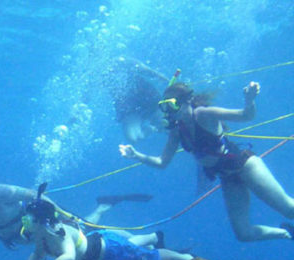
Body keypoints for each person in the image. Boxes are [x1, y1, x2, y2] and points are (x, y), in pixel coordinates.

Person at [119, 80, 294, 242]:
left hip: (245, 165)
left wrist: (249, 99)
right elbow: (162, 162)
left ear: (186, 100)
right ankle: (287, 233)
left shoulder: (204, 114)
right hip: (227, 177)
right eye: (164, 107)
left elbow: (245, 116)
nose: (169, 112)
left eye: (171, 105)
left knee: (288, 209)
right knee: (243, 233)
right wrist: (137, 155)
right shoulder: (177, 131)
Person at [19, 193, 192, 260]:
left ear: (41, 220)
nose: (24, 222)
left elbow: (69, 256)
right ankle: (153, 237)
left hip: (108, 249)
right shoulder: (41, 235)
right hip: (102, 252)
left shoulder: (57, 232)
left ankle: (186, 259)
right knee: (129, 248)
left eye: (27, 218)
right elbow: (38, 254)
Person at [0, 174, 152, 249]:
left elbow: (32, 195)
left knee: (90, 232)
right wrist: (4, 239)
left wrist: (60, 214)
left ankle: (138, 239)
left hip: (44, 223)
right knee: (86, 241)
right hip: (31, 237)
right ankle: (102, 208)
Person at [106, 57, 169, 144]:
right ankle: (151, 129)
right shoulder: (99, 71)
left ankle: (157, 128)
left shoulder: (123, 61)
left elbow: (148, 71)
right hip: (129, 105)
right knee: (132, 138)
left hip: (145, 97)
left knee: (165, 122)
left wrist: (163, 79)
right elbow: (150, 72)